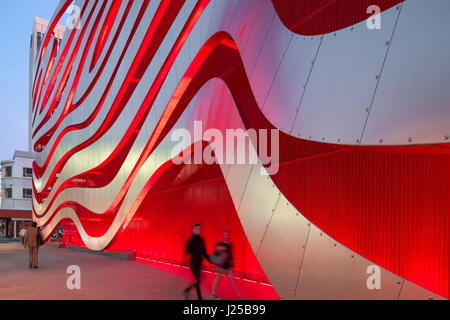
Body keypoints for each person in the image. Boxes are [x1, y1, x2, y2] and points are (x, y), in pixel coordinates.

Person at [211, 230, 241, 300]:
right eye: (224, 235)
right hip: (220, 265)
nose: (226, 236)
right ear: (223, 235)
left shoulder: (230, 244)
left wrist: (232, 263)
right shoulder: (220, 243)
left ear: (229, 235)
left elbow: (231, 255)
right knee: (217, 279)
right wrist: (219, 248)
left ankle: (239, 296)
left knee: (232, 280)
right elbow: (215, 252)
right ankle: (213, 294)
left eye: (227, 235)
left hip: (227, 266)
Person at [183, 224, 210, 300]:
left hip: (199, 263)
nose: (198, 230)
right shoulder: (190, 240)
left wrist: (210, 260)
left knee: (198, 281)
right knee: (197, 281)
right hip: (193, 264)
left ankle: (187, 290)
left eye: (199, 229)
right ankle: (200, 298)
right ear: (193, 230)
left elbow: (204, 252)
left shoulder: (201, 240)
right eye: (197, 229)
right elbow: (187, 251)